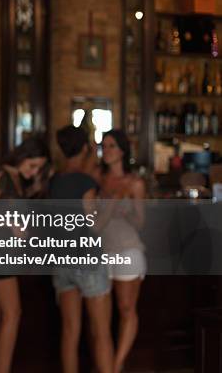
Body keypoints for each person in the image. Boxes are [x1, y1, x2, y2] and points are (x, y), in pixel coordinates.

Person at [0, 136, 50, 373]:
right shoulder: (0, 176)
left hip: (3, 251)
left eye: (39, 167)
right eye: (32, 165)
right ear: (22, 157)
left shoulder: (17, 179)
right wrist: (6, 220)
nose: (34, 171)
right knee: (12, 312)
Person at [49, 125, 114, 373]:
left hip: (61, 262)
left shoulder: (55, 180)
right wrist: (109, 205)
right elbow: (94, 226)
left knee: (69, 332)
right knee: (101, 332)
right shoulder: (86, 182)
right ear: (86, 148)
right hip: (88, 260)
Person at [96, 129, 146, 373]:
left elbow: (141, 222)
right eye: (104, 146)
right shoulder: (97, 178)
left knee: (126, 309)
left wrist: (125, 211)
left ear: (123, 151)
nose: (106, 150)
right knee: (102, 319)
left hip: (128, 249)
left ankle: (115, 367)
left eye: (112, 146)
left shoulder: (135, 183)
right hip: (102, 251)